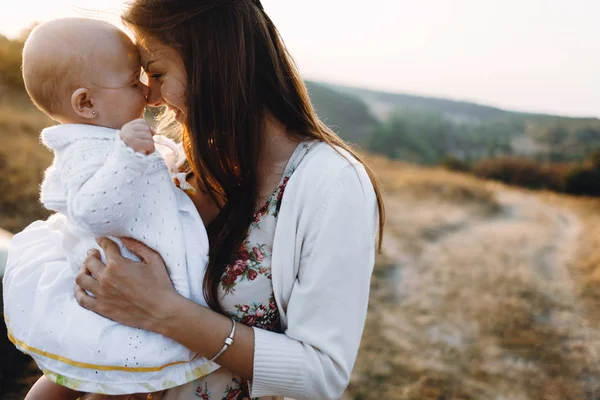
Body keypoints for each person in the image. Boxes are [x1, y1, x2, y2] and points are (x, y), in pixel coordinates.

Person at [12, 0, 386, 399]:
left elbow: (322, 375)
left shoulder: (332, 184)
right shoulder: (175, 164)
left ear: (215, 62)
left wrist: (166, 312)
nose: (151, 96)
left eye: (156, 73)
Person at [2, 18, 219, 400]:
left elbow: (142, 190)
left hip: (124, 280)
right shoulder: (90, 151)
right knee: (116, 382)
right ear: (86, 103)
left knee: (98, 380)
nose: (148, 95)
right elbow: (94, 210)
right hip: (114, 281)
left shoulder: (105, 140)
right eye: (134, 82)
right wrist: (130, 157)